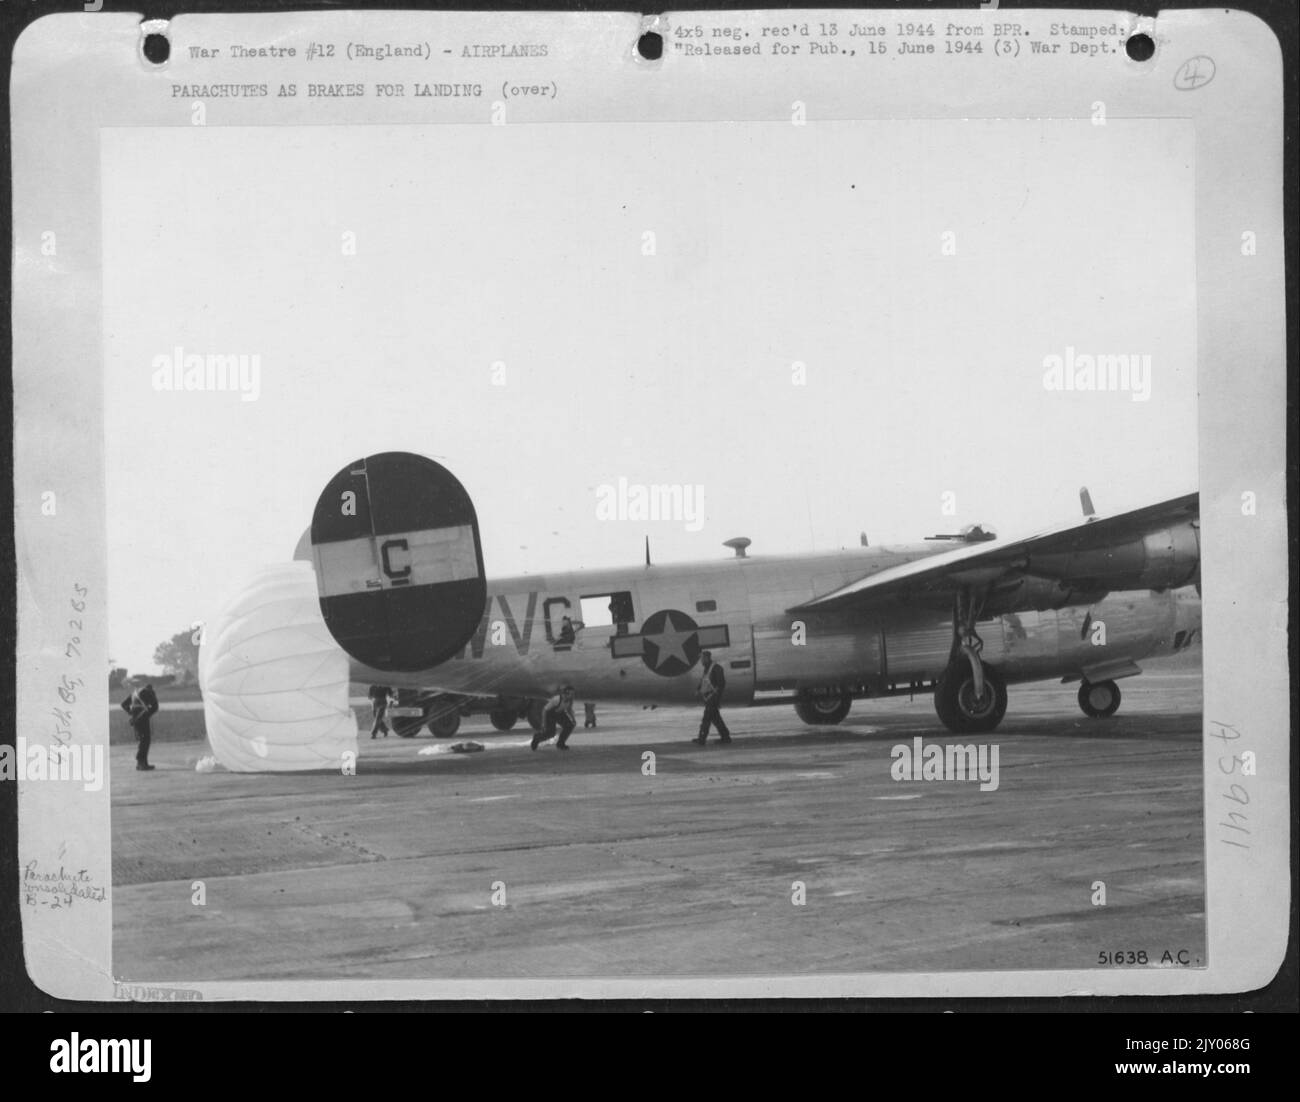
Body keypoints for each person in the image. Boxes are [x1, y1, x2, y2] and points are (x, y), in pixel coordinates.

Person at [693, 652, 731, 745]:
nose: (701, 661)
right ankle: (725, 737)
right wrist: (698, 690)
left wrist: (716, 698)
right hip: (708, 698)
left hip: (712, 698)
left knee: (706, 719)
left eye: (702, 658)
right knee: (716, 719)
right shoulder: (707, 668)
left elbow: (721, 684)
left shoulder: (717, 668)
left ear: (706, 658)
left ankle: (701, 739)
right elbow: (703, 680)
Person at [120, 683, 159, 770]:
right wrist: (147, 714)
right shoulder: (149, 692)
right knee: (145, 740)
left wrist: (131, 713)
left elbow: (123, 704)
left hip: (135, 719)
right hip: (143, 719)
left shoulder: (135, 693)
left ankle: (142, 763)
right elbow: (156, 707)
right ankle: (141, 762)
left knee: (143, 740)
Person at [532, 686, 577, 750]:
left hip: (560, 713)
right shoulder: (556, 699)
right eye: (571, 694)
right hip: (550, 714)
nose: (573, 696)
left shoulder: (570, 700)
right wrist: (543, 723)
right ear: (566, 694)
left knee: (569, 725)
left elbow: (569, 709)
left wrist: (573, 719)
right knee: (550, 733)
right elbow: (545, 710)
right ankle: (537, 738)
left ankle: (560, 743)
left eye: (573, 694)